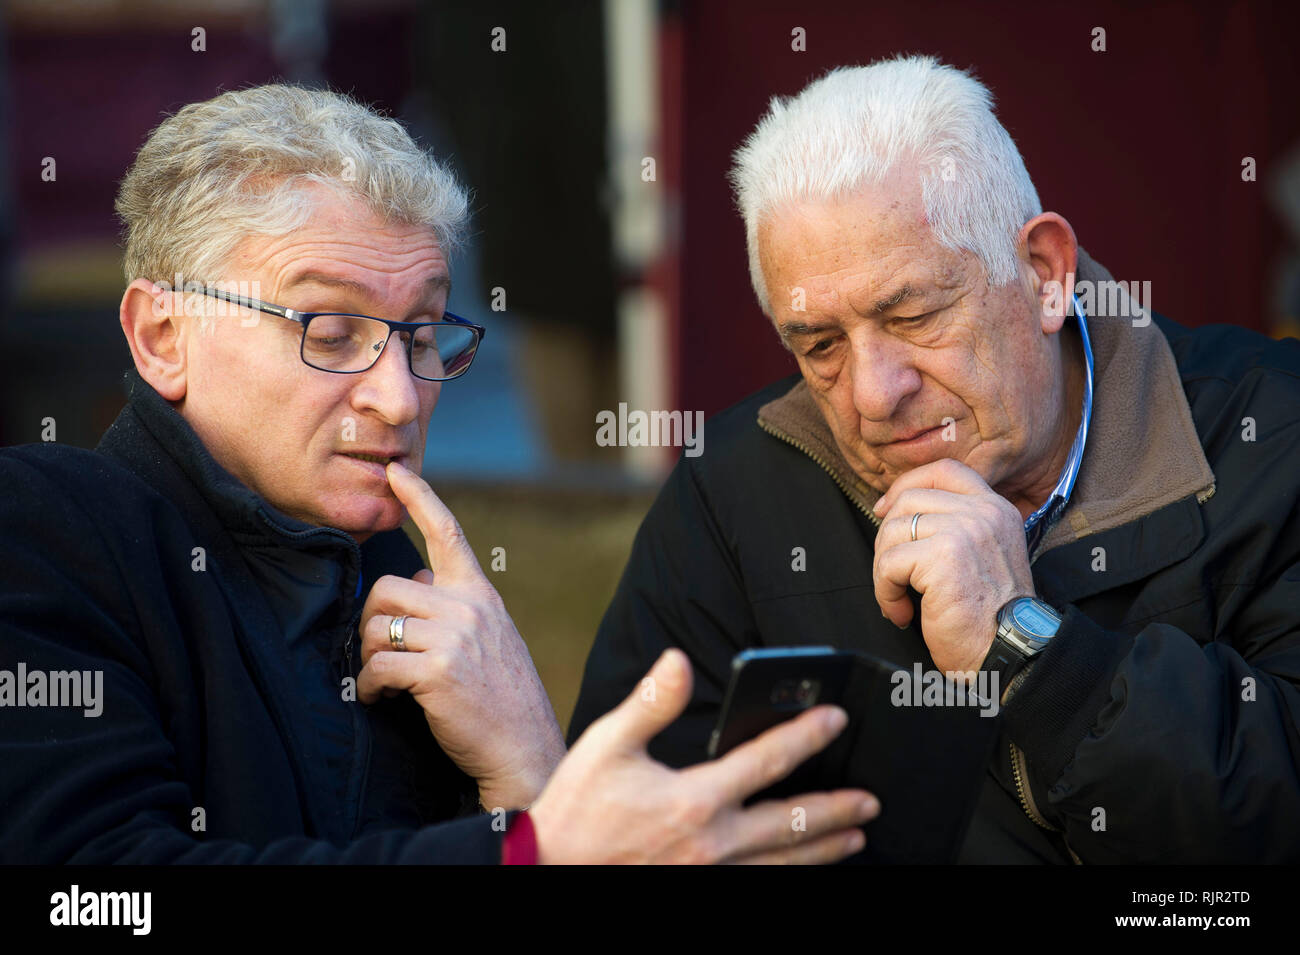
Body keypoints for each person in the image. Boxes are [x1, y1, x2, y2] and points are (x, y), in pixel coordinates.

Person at [0, 84, 881, 865]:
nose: (398, 397)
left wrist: (528, 765)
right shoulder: (45, 530)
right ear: (163, 337)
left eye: (421, 337)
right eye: (331, 333)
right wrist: (534, 845)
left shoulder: (421, 601)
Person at [569, 55, 1300, 863]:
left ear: (1044, 274)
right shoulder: (733, 494)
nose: (874, 393)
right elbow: (617, 830)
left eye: (913, 316)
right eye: (821, 346)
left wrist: (1030, 651)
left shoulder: (1273, 437)